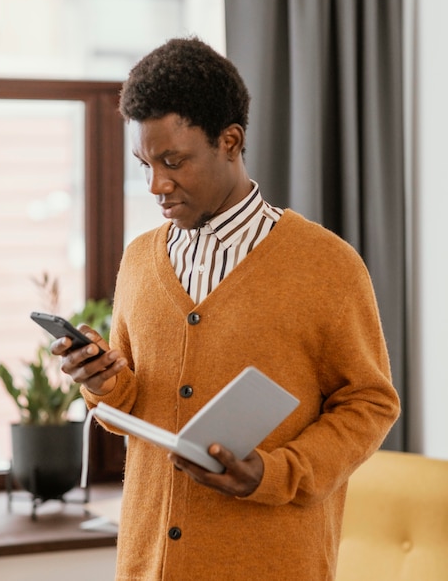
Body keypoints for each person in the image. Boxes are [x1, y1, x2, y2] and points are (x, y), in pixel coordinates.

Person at [53, 37, 400, 580]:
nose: (155, 185)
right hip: (147, 565)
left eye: (173, 162)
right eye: (144, 163)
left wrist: (275, 471)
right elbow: (131, 404)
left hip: (272, 562)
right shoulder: (141, 261)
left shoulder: (326, 264)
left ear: (231, 141)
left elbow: (370, 403)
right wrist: (100, 381)